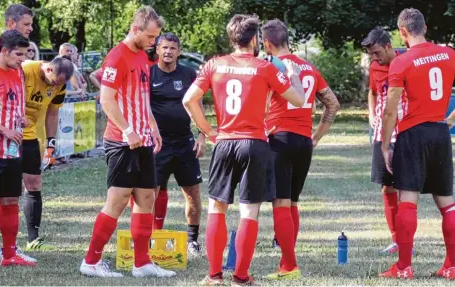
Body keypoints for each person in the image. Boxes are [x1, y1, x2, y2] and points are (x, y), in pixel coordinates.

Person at [183, 14, 306, 286]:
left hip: (225, 141)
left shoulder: (214, 65)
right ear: (254, 40)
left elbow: (188, 99)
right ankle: (240, 277)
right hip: (255, 143)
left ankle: (214, 275)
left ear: (232, 38)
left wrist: (209, 130)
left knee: (217, 207)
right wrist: (292, 75)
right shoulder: (265, 67)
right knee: (249, 212)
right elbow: (298, 100)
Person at [79, 6, 176, 278]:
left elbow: (142, 99)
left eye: (156, 37)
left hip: (143, 140)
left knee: (147, 198)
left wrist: (153, 128)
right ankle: (91, 261)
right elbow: (107, 100)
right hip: (122, 142)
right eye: (150, 36)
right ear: (135, 30)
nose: (154, 42)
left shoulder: (143, 58)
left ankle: (142, 264)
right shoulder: (117, 57)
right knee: (118, 200)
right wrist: (128, 129)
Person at [380, 8, 455, 279]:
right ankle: (450, 266)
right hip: (439, 132)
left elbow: (390, 110)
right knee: (447, 201)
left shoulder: (401, 62)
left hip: (412, 134)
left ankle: (403, 267)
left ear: (402, 32)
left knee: (408, 200)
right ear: (424, 28)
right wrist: (450, 119)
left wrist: (384, 144)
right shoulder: (450, 54)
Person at [261, 19, 340, 280]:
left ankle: (290, 266)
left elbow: (261, 103)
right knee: (292, 202)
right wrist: (316, 136)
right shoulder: (309, 68)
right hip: (303, 141)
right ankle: (287, 262)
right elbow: (333, 104)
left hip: (279, 138)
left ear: (267, 43)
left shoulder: (270, 66)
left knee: (280, 203)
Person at [0, 3, 36, 262]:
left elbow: (14, 101)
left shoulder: (16, 71)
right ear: (4, 51)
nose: (22, 60)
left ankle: (9, 254)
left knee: (10, 201)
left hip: (12, 149)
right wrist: (3, 128)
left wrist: (21, 118)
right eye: (18, 55)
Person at [149, 32, 205, 255]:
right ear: (157, 50)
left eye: (173, 48)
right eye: (164, 48)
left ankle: (192, 240)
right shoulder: (148, 73)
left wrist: (202, 134)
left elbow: (198, 107)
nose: (168, 52)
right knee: (149, 194)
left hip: (184, 143)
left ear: (179, 51)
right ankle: (150, 237)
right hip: (157, 143)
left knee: (193, 193)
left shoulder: (190, 74)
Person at [21, 57, 74, 251]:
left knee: (34, 183)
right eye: (54, 81)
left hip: (33, 137)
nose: (56, 85)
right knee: (0, 191)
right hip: (8, 133)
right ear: (49, 68)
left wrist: (51, 144)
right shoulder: (26, 70)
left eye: (60, 83)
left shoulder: (60, 84)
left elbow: (53, 112)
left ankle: (33, 240)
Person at [361, 27, 405, 255]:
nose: (375, 58)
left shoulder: (406, 62)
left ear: (389, 46)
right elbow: (373, 93)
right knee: (387, 186)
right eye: (372, 55)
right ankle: (396, 239)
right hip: (382, 133)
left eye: (377, 53)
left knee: (407, 188)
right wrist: (371, 113)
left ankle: (408, 240)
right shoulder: (375, 67)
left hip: (404, 131)